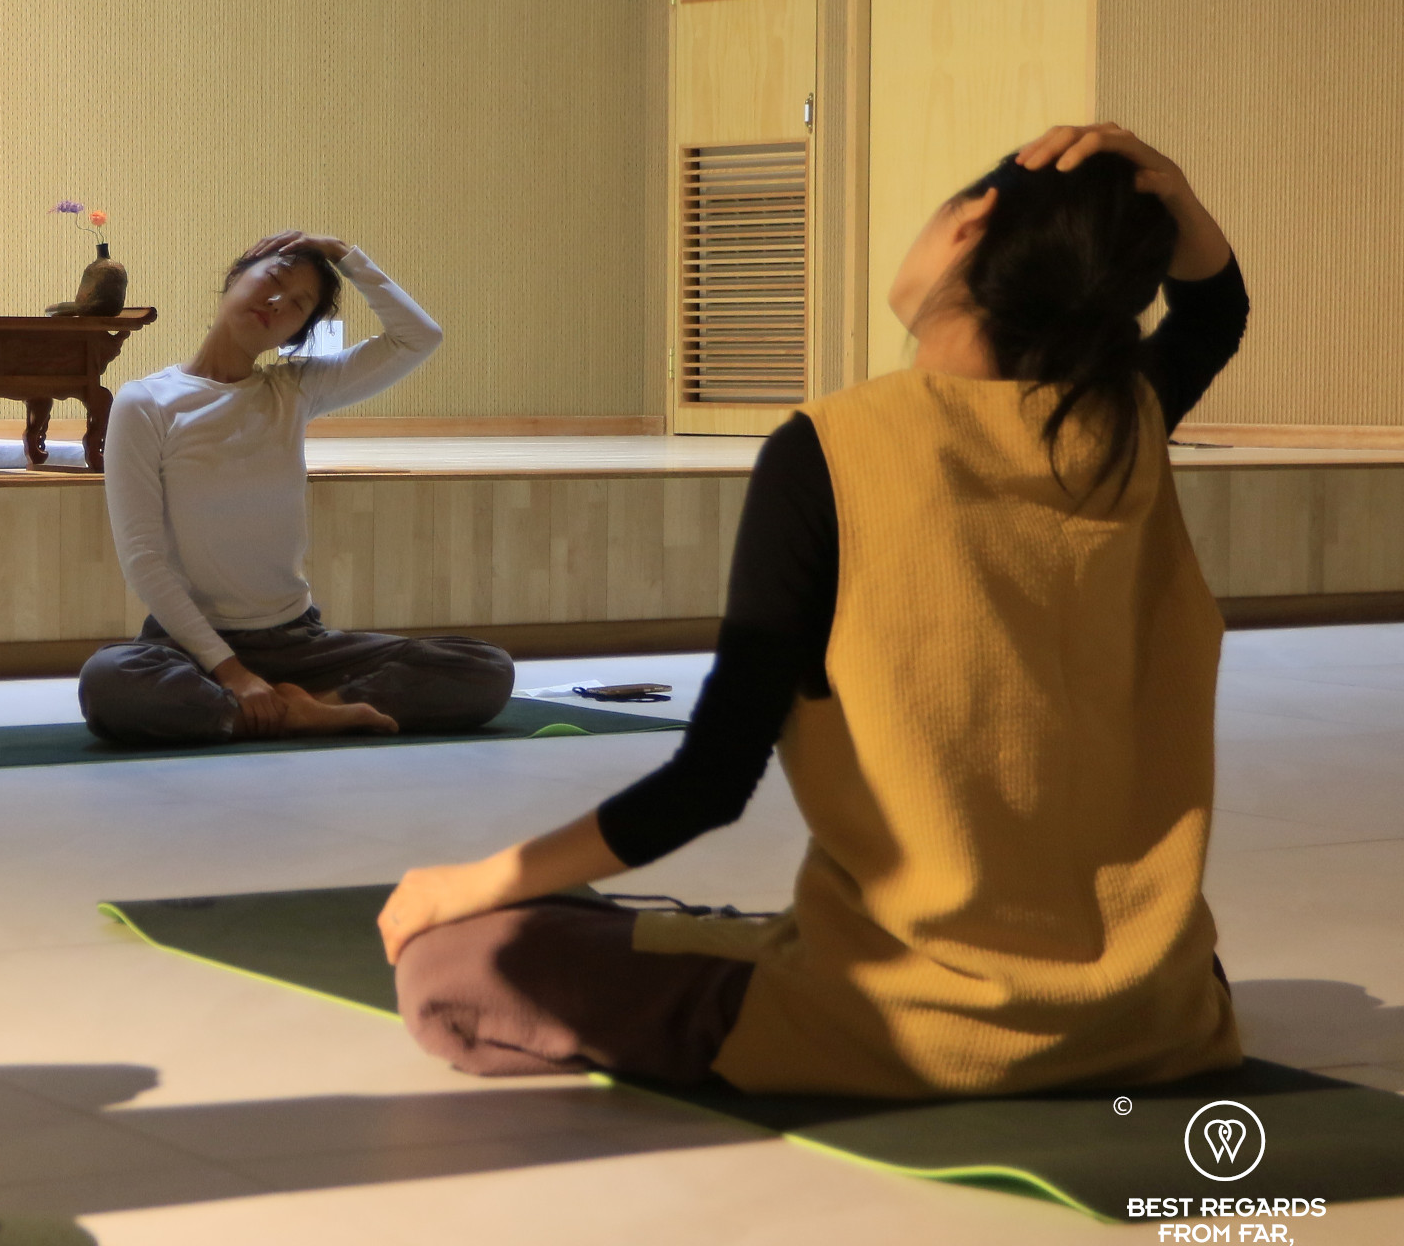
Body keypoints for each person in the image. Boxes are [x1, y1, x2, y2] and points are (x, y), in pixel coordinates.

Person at [378, 123, 1249, 1097]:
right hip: (1150, 1007)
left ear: (973, 223)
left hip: (904, 1022)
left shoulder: (831, 450)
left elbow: (711, 782)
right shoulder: (1126, 424)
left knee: (454, 966)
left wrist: (467, 883)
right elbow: (1217, 311)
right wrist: (1169, 189)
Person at [79, 231, 515, 745]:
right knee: (109, 680)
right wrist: (232, 672)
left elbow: (419, 337)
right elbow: (143, 557)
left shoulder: (294, 389)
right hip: (191, 646)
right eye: (274, 279)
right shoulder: (146, 402)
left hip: (297, 642)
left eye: (298, 305)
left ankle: (293, 711)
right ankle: (295, 712)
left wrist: (345, 255)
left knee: (485, 667)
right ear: (235, 278)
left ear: (295, 333)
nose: (277, 302)